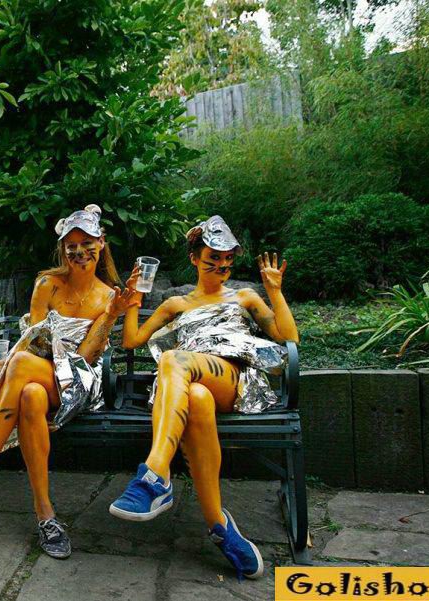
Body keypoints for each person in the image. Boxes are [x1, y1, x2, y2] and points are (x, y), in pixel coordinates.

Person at [0, 204, 139, 559]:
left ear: (101, 243)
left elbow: (86, 358)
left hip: (80, 382)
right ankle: (46, 516)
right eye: (71, 245)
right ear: (62, 249)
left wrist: (112, 315)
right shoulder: (47, 284)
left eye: (87, 243)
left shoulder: (109, 295)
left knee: (24, 366)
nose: (79, 251)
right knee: (29, 395)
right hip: (39, 375)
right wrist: (11, 363)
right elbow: (33, 341)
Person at [109, 215, 299, 581]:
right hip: (189, 386)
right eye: (214, 258)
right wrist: (133, 302)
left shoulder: (244, 297)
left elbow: (288, 338)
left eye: (228, 260)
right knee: (195, 397)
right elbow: (131, 341)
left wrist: (274, 291)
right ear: (195, 259)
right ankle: (219, 526)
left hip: (232, 378)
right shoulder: (176, 304)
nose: (222, 266)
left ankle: (154, 474)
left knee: (174, 359)